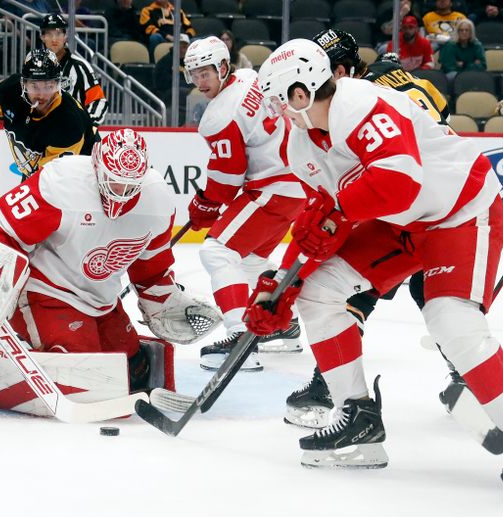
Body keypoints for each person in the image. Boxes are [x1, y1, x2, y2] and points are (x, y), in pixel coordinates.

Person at [250, 39, 503, 500]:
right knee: (317, 290)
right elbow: (322, 220)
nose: (276, 112)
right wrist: (280, 284)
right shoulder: (301, 145)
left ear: (300, 95)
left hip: (460, 211)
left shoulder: (359, 103)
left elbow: (398, 184)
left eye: (279, 101)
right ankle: (357, 418)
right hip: (400, 223)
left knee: (450, 320)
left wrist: (337, 210)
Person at [0, 129, 220, 394]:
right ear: (97, 165)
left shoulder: (158, 200)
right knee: (85, 374)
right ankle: (29, 345)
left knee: (133, 370)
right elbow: (2, 227)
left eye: (130, 185)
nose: (120, 192)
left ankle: (46, 347)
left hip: (100, 300)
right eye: (114, 181)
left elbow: (151, 269)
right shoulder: (63, 182)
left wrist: (164, 304)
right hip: (46, 291)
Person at [283, 31, 453, 429]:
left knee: (353, 290)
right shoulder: (392, 82)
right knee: (431, 293)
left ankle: (331, 384)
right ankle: (465, 376)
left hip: (411, 198)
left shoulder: (351, 104)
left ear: (338, 70)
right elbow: (440, 113)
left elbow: (367, 182)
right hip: (436, 191)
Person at [182, 36, 307, 371]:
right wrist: (210, 201)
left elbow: (228, 178)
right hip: (296, 184)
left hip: (273, 187)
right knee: (250, 262)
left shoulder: (218, 115)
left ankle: (240, 338)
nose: (199, 81)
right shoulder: (249, 78)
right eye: (193, 74)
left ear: (223, 67)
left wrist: (206, 203)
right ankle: (281, 327)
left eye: (206, 72)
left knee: (217, 252)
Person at [0, 48, 97, 179]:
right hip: (42, 176)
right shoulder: (13, 90)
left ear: (58, 85)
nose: (41, 94)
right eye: (34, 86)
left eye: (48, 86)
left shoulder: (68, 122)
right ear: (24, 84)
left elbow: (51, 182)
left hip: (83, 180)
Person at [40, 13, 109, 126]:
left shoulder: (80, 66)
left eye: (58, 33)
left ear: (65, 36)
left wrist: (88, 124)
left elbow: (98, 100)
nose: (54, 39)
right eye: (49, 34)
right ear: (42, 37)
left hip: (74, 135)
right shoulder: (33, 66)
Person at [154, 33, 192, 123]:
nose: (182, 50)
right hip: (168, 95)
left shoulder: (190, 62)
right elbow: (162, 83)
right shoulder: (165, 61)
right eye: (180, 46)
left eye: (185, 47)